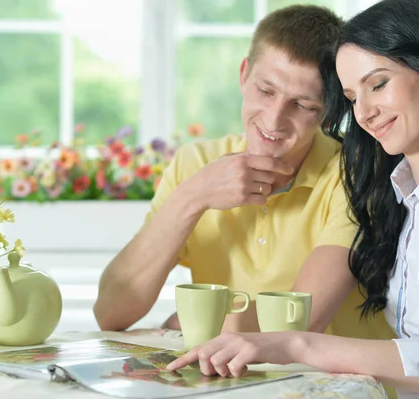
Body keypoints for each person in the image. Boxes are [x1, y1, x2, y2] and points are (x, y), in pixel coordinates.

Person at [166, 0, 419, 397]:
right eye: (352, 97)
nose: (365, 113)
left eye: (378, 84)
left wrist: (293, 344)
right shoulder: (400, 196)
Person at [94, 5, 394, 346]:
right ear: (243, 75)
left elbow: (299, 322)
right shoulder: (194, 165)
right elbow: (111, 312)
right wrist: (193, 197)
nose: (274, 120)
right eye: (265, 91)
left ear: (329, 112)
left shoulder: (355, 173)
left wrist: (192, 321)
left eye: (303, 105)